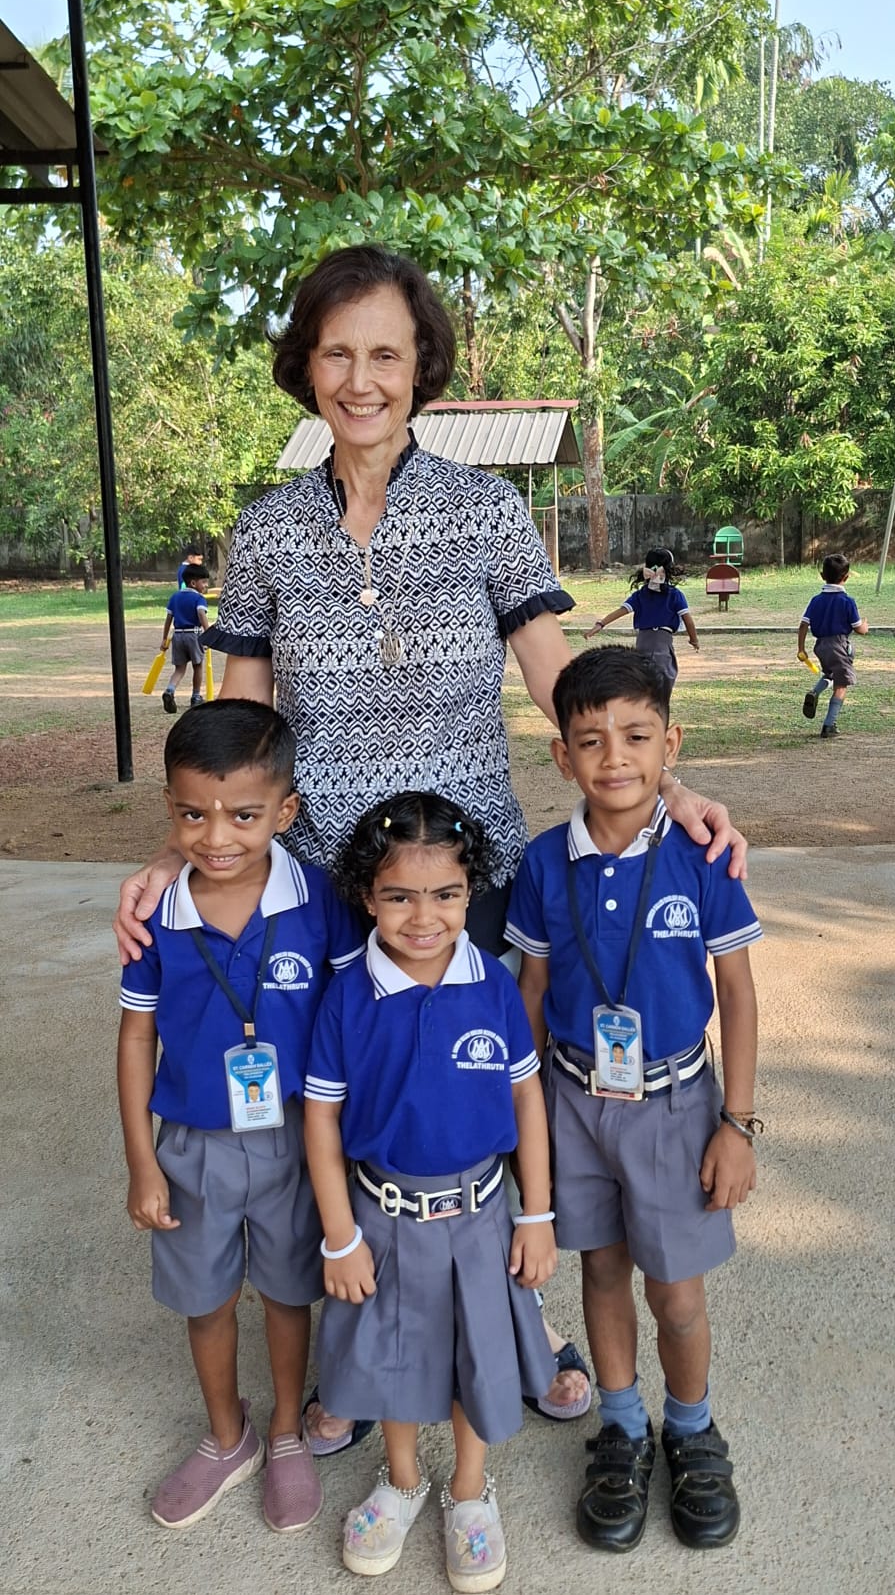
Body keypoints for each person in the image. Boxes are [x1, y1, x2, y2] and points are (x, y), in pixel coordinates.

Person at [113, 243, 747, 1440]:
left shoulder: (484, 510)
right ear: (306, 366)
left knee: (476, 1091)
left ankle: (515, 1317)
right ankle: (368, 1345)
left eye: (386, 354)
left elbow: (561, 678)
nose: (361, 379)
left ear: (422, 368)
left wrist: (671, 786)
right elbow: (241, 725)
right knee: (352, 1098)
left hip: (468, 874)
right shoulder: (268, 532)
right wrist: (183, 850)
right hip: (325, 881)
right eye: (337, 353)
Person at [506, 646, 763, 1554]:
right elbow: (533, 991)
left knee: (677, 1293)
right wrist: (521, 1120)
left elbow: (737, 993)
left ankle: (690, 1428)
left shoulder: (704, 856)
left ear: (671, 743)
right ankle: (621, 1427)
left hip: (677, 1106)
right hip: (574, 1101)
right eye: (590, 741)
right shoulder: (545, 862)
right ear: (562, 757)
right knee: (602, 1270)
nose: (615, 757)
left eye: (637, 736)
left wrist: (736, 1123)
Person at [116, 699, 364, 1531]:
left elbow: (351, 1017)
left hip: (298, 1138)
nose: (216, 836)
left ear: (286, 811)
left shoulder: (319, 900)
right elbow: (136, 1037)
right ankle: (229, 1438)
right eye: (193, 813)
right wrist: (143, 1164)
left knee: (290, 1293)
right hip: (193, 1146)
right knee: (208, 1299)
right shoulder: (157, 915)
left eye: (244, 815)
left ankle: (287, 1431)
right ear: (170, 808)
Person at [304, 792, 558, 1589]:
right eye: (399, 897)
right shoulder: (348, 995)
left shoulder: (493, 987)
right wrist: (340, 1236)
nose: (424, 918)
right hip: (381, 1218)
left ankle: (470, 1492)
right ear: (366, 896)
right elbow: (321, 1118)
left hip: (482, 1218)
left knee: (477, 1355)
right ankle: (404, 1480)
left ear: (471, 890)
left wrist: (538, 1215)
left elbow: (526, 1098)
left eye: (446, 894)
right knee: (395, 1357)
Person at [586, 545, 699, 693]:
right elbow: (688, 620)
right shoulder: (675, 595)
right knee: (663, 681)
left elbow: (621, 611)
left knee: (643, 681)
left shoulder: (640, 595)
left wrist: (600, 624)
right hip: (662, 644)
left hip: (642, 643)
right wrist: (694, 640)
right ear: (669, 569)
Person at [798, 553, 868, 738]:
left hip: (821, 646)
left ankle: (815, 692)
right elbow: (859, 629)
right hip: (839, 645)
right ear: (847, 577)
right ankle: (829, 725)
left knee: (830, 674)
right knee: (841, 685)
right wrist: (865, 626)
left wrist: (801, 649)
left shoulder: (816, 600)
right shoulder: (847, 601)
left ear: (822, 576)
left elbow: (803, 625)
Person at [160, 563, 209, 714]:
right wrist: (208, 634)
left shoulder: (175, 597)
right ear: (193, 583)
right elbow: (201, 614)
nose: (206, 585)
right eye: (204, 582)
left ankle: (170, 690)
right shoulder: (199, 598)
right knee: (198, 666)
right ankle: (195, 696)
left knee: (180, 668)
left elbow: (168, 618)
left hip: (178, 635)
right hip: (193, 635)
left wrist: (164, 638)